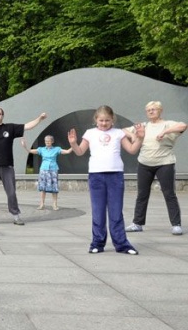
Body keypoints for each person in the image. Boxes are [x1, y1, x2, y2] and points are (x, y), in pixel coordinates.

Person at [68, 105, 144, 254]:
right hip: (96, 176)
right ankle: (97, 243)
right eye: (101, 120)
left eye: (107, 120)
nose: (104, 123)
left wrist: (140, 138)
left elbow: (132, 149)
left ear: (112, 120)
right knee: (98, 211)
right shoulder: (90, 133)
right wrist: (73, 144)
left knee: (116, 212)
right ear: (96, 120)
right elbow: (80, 151)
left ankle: (122, 244)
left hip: (115, 175)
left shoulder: (118, 133)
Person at [124, 101, 186, 236]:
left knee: (169, 194)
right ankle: (137, 223)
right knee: (142, 194)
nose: (151, 112)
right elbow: (123, 131)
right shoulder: (143, 126)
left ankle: (176, 225)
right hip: (144, 164)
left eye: (154, 109)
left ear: (160, 110)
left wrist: (165, 131)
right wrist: (133, 135)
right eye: (148, 110)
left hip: (165, 163)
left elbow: (183, 125)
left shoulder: (168, 124)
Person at [21, 135, 71, 210]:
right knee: (43, 188)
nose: (47, 142)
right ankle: (42, 204)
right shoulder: (41, 149)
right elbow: (30, 151)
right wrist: (25, 146)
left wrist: (73, 145)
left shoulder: (57, 149)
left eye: (49, 141)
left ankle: (54, 205)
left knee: (54, 188)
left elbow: (67, 151)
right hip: (43, 169)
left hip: (53, 169)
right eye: (46, 141)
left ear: (52, 141)